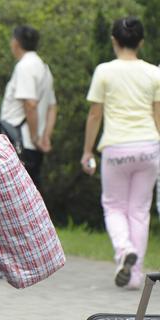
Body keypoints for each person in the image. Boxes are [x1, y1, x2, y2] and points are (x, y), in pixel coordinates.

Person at [81, 16, 160, 290]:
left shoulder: (104, 71)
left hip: (116, 148)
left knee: (114, 206)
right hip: (149, 147)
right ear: (141, 42)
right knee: (139, 211)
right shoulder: (154, 73)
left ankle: (124, 250)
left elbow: (95, 114)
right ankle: (135, 276)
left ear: (114, 41)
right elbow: (158, 115)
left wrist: (87, 151)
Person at [0, 25, 57, 190]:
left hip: (21, 143)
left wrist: (34, 137)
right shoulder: (44, 68)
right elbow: (52, 107)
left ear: (16, 43)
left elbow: (30, 104)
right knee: (33, 194)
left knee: (19, 196)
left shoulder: (25, 66)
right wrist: (45, 136)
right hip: (34, 145)